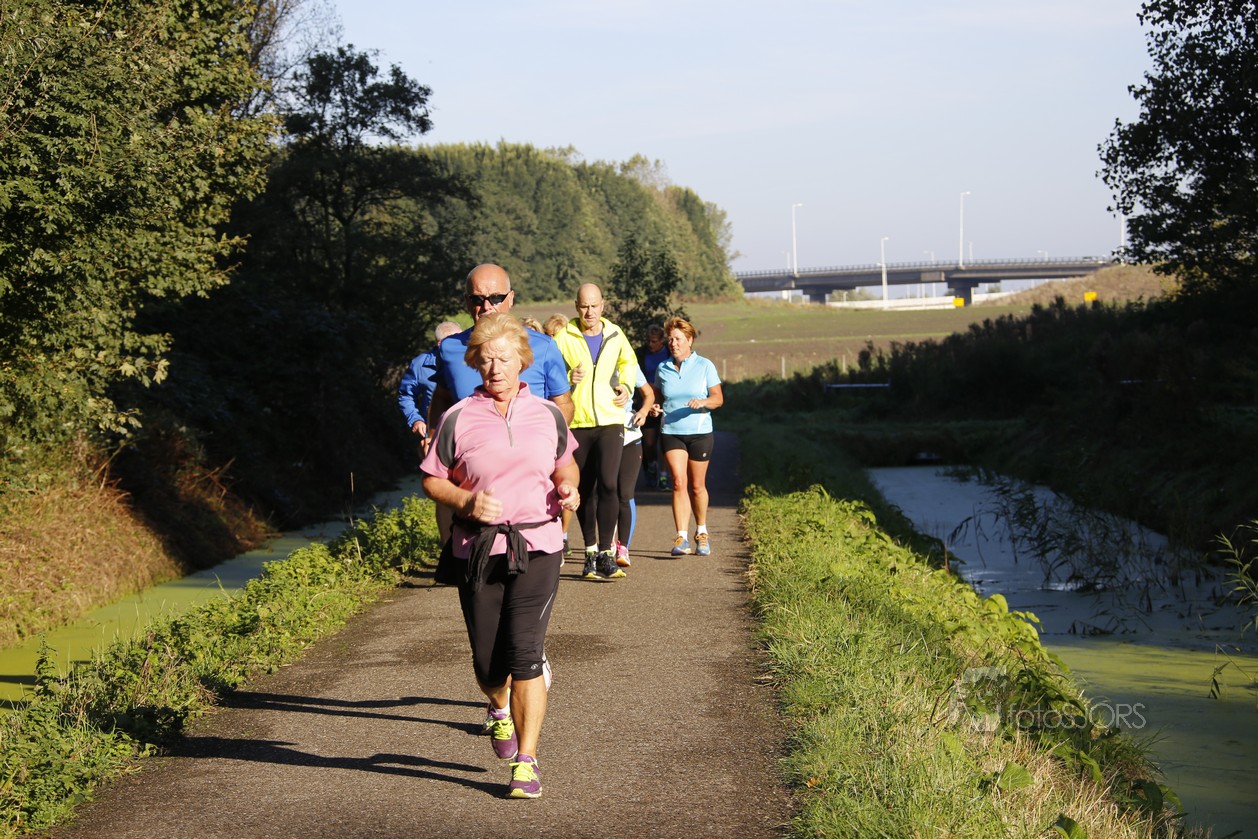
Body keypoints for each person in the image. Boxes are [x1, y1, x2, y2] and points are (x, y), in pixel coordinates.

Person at [420, 313, 580, 800]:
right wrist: (465, 500)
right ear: (475, 364)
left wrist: (568, 487)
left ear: (521, 362)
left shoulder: (548, 415)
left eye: (504, 359)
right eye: (486, 360)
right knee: (489, 663)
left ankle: (526, 763)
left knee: (525, 654)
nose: (495, 369)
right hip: (479, 549)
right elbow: (432, 480)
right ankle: (498, 706)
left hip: (539, 543)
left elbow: (565, 464)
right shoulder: (457, 417)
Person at [427, 264, 574, 541]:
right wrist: (432, 436)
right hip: (470, 484)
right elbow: (442, 397)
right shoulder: (449, 349)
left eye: (495, 297)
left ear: (511, 298)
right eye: (477, 299)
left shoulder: (543, 347)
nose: (486, 306)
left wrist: (547, 444)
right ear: (466, 302)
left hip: (529, 485)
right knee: (463, 558)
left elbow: (564, 403)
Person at [553, 283, 649, 580]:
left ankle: (607, 552)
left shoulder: (615, 333)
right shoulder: (563, 336)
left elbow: (629, 362)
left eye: (594, 306)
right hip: (578, 421)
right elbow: (550, 371)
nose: (589, 312)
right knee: (585, 488)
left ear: (603, 306)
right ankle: (590, 552)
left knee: (609, 483)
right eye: (584, 306)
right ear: (576, 306)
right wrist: (568, 377)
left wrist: (626, 385)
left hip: (610, 419)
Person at [649, 317, 723, 557]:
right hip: (672, 432)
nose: (673, 343)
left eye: (678, 339)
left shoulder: (705, 365)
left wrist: (703, 402)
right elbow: (657, 397)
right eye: (670, 339)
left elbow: (718, 399)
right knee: (678, 482)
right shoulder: (663, 368)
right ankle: (681, 537)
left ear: (689, 340)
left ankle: (701, 532)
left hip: (700, 433)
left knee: (697, 485)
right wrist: (654, 407)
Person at [613, 360, 653, 567]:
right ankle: (606, 545)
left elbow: (649, 394)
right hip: (603, 433)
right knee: (605, 491)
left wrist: (644, 412)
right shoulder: (588, 360)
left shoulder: (630, 364)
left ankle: (623, 547)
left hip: (630, 435)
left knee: (625, 493)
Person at [398, 320, 463, 444]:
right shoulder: (420, 364)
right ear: (440, 344)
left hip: (465, 433)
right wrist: (416, 420)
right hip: (434, 437)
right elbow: (406, 395)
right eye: (456, 342)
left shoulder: (470, 360)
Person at [637, 323, 670, 490]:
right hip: (647, 402)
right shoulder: (641, 354)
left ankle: (663, 476)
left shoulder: (670, 353)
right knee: (649, 442)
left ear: (661, 341)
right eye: (648, 341)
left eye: (654, 341)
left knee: (664, 442)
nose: (650, 344)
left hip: (666, 401)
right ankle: (651, 466)